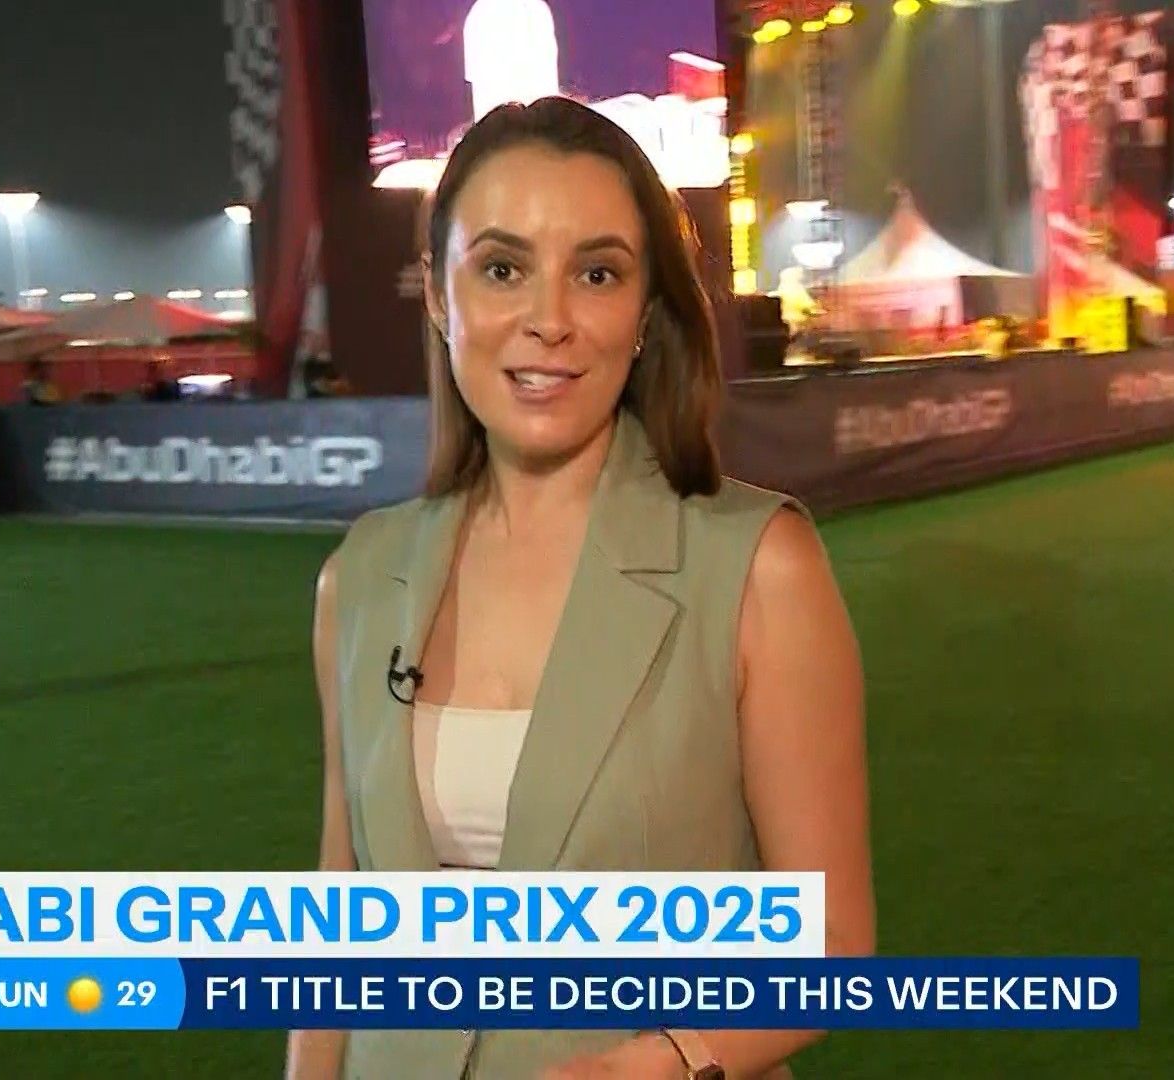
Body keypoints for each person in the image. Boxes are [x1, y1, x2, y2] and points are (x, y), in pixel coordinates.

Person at [287, 98, 873, 1079]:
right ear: (438, 296)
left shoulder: (758, 566)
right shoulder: (358, 578)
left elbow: (832, 947)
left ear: (644, 315)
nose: (549, 320)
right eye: (502, 269)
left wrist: (662, 1062)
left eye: (596, 273)